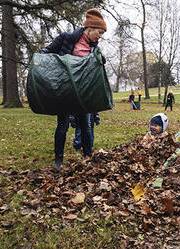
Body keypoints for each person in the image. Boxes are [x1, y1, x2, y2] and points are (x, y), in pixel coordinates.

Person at [40, 8, 107, 169]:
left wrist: (100, 60)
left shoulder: (94, 48)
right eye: (99, 32)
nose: (100, 36)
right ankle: (58, 159)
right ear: (89, 28)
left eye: (102, 33)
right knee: (62, 126)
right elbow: (45, 53)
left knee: (86, 125)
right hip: (65, 90)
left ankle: (87, 156)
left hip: (83, 93)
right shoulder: (66, 39)